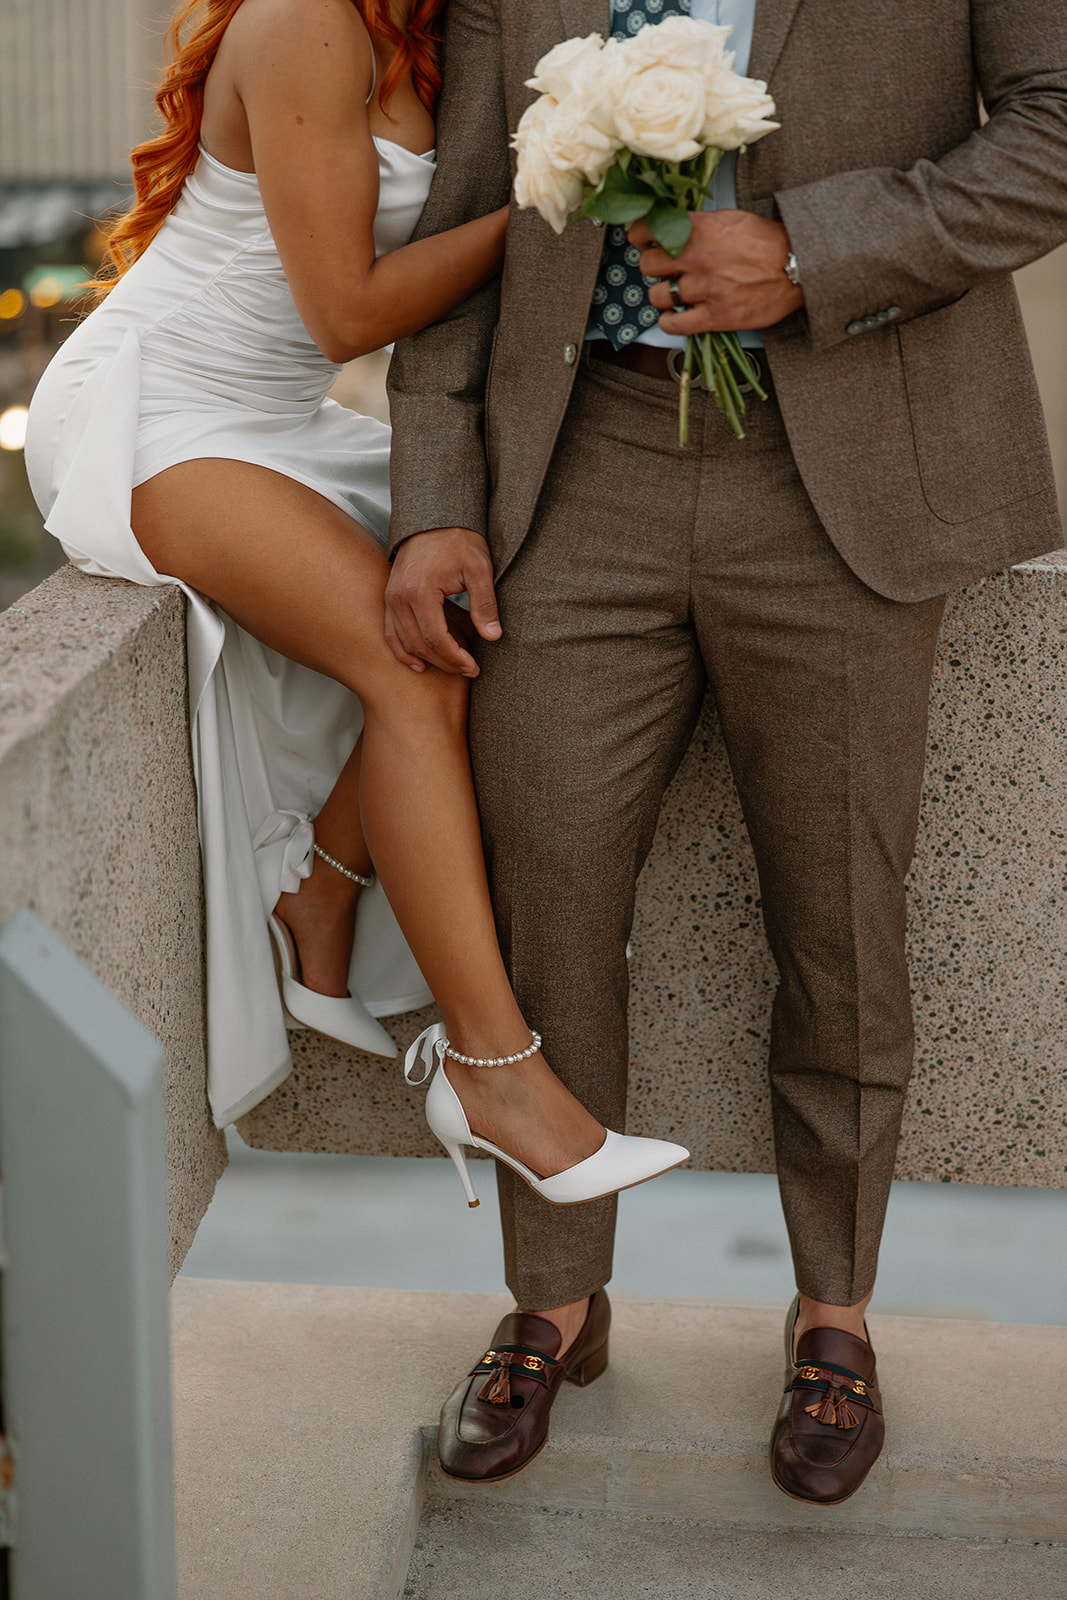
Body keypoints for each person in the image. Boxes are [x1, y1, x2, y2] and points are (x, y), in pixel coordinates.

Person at [384, 0, 1067, 1500]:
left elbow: (1051, 131)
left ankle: (832, 1316)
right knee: (542, 887)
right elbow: (468, 218)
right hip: (573, 472)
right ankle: (553, 1305)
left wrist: (811, 251)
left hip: (849, 466)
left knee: (837, 918)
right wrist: (434, 494)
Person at [24, 0, 688, 1211]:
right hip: (161, 414)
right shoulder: (301, 21)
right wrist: (562, 200)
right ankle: (496, 1076)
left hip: (277, 422)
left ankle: (321, 885)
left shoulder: (443, 31)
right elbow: (346, 313)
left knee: (490, 600)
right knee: (413, 661)